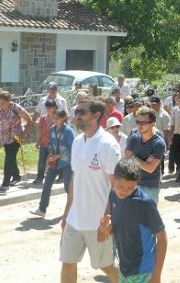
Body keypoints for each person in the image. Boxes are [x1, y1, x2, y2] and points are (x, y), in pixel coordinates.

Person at [59, 100, 121, 283]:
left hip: (98, 222)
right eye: (76, 111)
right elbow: (74, 179)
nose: (77, 116)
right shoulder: (77, 142)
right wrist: (66, 213)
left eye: (82, 112)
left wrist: (108, 220)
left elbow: (117, 186)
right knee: (67, 261)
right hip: (75, 219)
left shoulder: (107, 144)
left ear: (96, 116)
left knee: (106, 266)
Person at [98, 158, 167, 283]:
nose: (124, 191)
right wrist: (106, 230)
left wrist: (156, 276)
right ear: (114, 179)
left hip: (143, 270)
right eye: (120, 186)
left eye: (130, 188)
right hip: (124, 268)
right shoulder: (113, 196)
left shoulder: (144, 204)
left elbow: (162, 239)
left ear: (137, 183)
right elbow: (120, 230)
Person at [30, 109, 75, 218]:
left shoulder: (68, 131)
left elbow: (72, 148)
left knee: (68, 187)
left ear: (63, 118)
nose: (54, 120)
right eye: (53, 118)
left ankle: (74, 209)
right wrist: (50, 154)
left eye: (56, 118)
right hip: (54, 162)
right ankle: (42, 209)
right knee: (47, 184)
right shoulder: (52, 129)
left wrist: (58, 156)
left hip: (66, 163)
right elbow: (51, 143)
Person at [124, 106, 167, 205]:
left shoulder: (158, 143)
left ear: (152, 124)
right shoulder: (134, 137)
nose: (139, 125)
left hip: (149, 186)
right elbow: (126, 156)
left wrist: (133, 157)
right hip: (132, 184)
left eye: (143, 123)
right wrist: (143, 162)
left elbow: (150, 168)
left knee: (149, 218)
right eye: (138, 122)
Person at [0, 90, 33, 192]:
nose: (1, 105)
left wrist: (25, 134)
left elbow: (29, 120)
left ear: (9, 100)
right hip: (5, 138)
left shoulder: (17, 108)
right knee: (11, 157)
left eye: (3, 103)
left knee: (9, 158)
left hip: (16, 137)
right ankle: (16, 176)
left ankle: (5, 183)